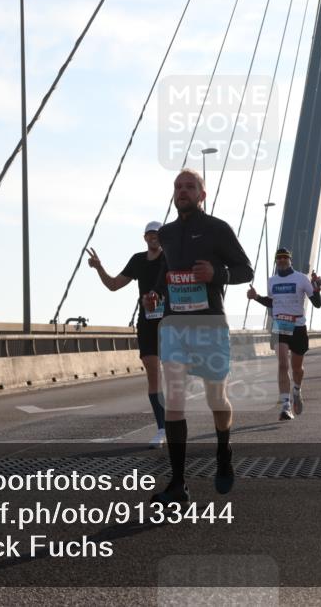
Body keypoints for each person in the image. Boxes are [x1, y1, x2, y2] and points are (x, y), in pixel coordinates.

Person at [144, 169, 253, 504]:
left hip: (209, 326)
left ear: (202, 195)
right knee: (174, 400)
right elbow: (167, 274)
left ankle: (224, 450)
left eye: (190, 187)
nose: (183, 191)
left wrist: (216, 274)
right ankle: (178, 484)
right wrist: (156, 296)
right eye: (178, 187)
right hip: (175, 326)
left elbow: (245, 270)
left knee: (215, 400)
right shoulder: (167, 233)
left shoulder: (217, 229)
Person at [86, 222, 167, 448]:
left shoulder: (170, 259)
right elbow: (113, 285)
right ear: (144, 238)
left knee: (172, 373)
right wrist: (99, 268)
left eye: (157, 235)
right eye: (150, 235)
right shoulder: (138, 260)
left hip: (170, 322)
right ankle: (162, 428)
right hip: (147, 322)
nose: (154, 238)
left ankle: (174, 421)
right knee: (153, 373)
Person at [247, 248, 321, 420]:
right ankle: (285, 406)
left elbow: (317, 304)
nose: (281, 260)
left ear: (290, 260)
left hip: (298, 326)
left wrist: (317, 288)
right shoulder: (271, 281)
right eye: (278, 258)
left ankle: (296, 389)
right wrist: (256, 296)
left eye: (284, 258)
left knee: (297, 368)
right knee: (282, 365)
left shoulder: (301, 278)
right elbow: (273, 302)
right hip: (281, 325)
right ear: (275, 261)